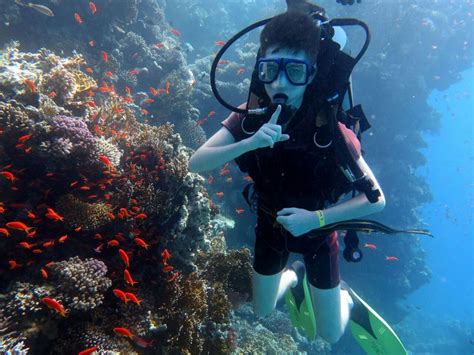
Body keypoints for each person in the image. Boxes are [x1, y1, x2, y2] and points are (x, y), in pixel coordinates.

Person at [189, 8, 406, 353]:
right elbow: (196, 163)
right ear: (260, 70)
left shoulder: (330, 129)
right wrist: (250, 142)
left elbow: (376, 198)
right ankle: (292, 279)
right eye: (271, 70)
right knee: (261, 310)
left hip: (319, 234)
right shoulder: (250, 115)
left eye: (294, 71)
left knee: (330, 335)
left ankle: (344, 299)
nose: (280, 83)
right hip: (269, 224)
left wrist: (315, 220)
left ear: (312, 73)